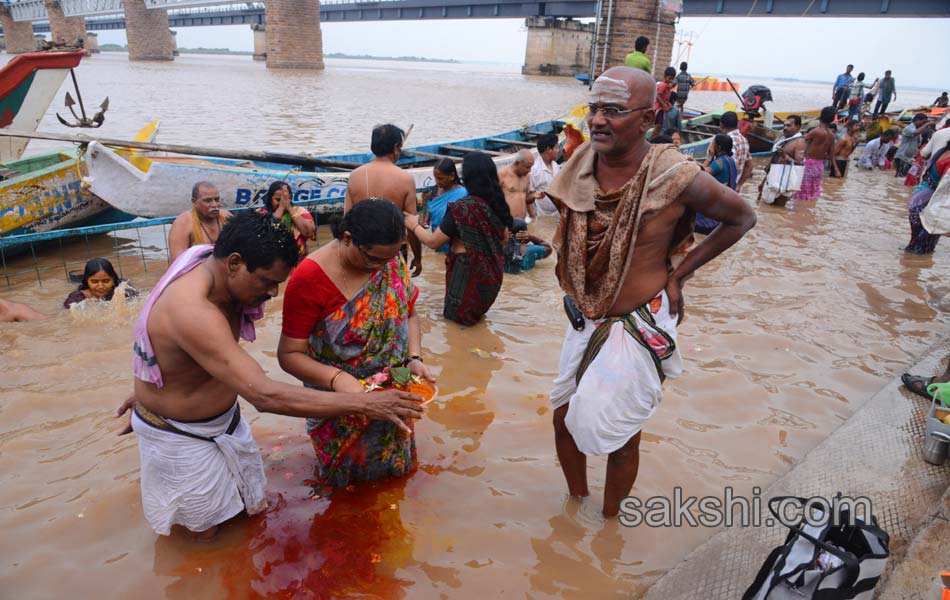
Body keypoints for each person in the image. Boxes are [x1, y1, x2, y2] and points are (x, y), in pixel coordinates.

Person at [120, 212, 424, 539]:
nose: (273, 294)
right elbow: (264, 394)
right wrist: (364, 405)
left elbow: (175, 351)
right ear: (234, 263)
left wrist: (151, 384)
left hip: (222, 423)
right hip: (182, 436)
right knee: (203, 539)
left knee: (243, 518)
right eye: (266, 282)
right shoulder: (191, 310)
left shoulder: (208, 261)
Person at [545, 67, 756, 517]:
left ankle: (609, 524)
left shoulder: (674, 175)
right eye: (594, 109)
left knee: (622, 434)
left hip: (639, 319)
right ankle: (574, 505)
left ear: (647, 119)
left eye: (614, 111)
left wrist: (680, 275)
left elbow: (742, 217)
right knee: (563, 418)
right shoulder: (578, 165)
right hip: (585, 314)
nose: (598, 120)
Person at [277, 199, 435, 493]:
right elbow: (289, 355)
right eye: (372, 260)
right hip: (340, 402)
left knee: (393, 481)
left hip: (393, 393)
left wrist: (414, 357)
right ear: (347, 239)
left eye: (389, 259)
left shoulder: (389, 259)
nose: (381, 268)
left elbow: (409, 313)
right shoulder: (309, 278)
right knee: (344, 489)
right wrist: (341, 381)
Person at [405, 153, 512, 326]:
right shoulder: (497, 204)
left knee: (455, 323)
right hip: (492, 277)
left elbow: (433, 242)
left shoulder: (461, 208)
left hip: (466, 277)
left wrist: (413, 225)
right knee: (476, 321)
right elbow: (504, 239)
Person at [344, 123, 423, 277]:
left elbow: (346, 220)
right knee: (392, 299)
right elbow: (412, 225)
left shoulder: (355, 176)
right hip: (391, 252)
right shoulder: (405, 179)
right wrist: (418, 257)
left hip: (361, 251)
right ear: (395, 148)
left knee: (363, 298)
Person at [905, 136, 950, 254]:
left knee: (922, 229)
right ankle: (919, 253)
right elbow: (944, 187)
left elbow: (924, 154)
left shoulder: (943, 150)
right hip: (933, 193)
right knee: (930, 227)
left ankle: (914, 253)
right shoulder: (947, 157)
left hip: (924, 189)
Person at [167, 182, 231, 262]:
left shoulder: (226, 217)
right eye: (208, 201)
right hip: (197, 271)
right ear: (194, 202)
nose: (215, 205)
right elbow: (178, 264)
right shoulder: (183, 224)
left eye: (217, 200)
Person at [256, 181, 316, 259]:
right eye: (278, 200)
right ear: (270, 199)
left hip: (297, 262)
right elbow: (265, 235)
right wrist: (281, 208)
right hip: (270, 264)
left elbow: (309, 232)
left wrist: (289, 208)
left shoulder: (299, 211)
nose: (283, 202)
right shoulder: (261, 214)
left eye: (286, 199)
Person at [794, 106, 840, 200]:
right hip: (819, 167)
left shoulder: (816, 131)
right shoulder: (831, 135)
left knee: (801, 192)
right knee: (813, 193)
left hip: (809, 165)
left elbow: (801, 139)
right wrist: (836, 169)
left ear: (821, 116)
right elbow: (832, 154)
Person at [757, 115, 806, 205]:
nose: (785, 128)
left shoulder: (800, 142)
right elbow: (773, 162)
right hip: (771, 179)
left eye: (789, 125)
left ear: (798, 127)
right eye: (784, 125)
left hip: (785, 183)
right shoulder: (782, 139)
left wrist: (785, 156)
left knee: (778, 209)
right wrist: (763, 181)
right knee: (763, 207)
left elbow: (800, 165)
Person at [423, 158, 467, 251]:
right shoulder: (436, 190)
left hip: (453, 244)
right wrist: (425, 221)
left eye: (440, 178)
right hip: (437, 241)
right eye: (435, 178)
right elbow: (430, 206)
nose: (437, 181)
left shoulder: (463, 194)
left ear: (451, 176)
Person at [696, 134, 737, 234]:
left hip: (716, 209)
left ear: (718, 148)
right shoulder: (730, 160)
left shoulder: (719, 162)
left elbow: (700, 174)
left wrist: (709, 157)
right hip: (727, 206)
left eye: (712, 144)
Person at [64, 257, 138, 308]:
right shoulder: (76, 298)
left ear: (113, 280)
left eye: (106, 281)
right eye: (94, 282)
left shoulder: (124, 292)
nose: (101, 286)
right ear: (87, 281)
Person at [498, 149, 536, 220]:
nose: (529, 171)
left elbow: (527, 200)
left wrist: (533, 216)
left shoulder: (527, 177)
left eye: (531, 167)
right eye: (527, 167)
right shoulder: (502, 174)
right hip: (507, 222)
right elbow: (493, 198)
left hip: (523, 221)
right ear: (517, 163)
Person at [530, 133, 560, 217]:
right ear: (548, 149)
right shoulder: (534, 170)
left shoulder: (555, 165)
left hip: (559, 213)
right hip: (543, 216)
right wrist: (532, 216)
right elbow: (527, 198)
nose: (558, 150)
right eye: (556, 147)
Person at [720, 111, 751, 189]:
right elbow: (749, 166)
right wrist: (739, 185)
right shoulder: (744, 140)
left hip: (724, 189)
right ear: (737, 124)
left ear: (721, 125)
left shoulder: (728, 141)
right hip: (733, 188)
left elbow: (730, 166)